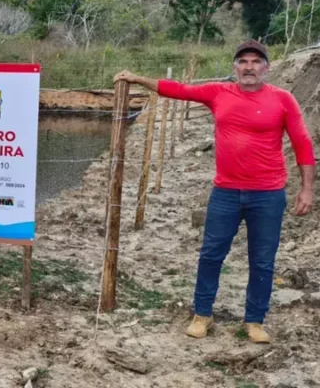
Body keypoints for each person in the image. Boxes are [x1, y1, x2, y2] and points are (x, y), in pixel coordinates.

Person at [114, 39, 315, 343]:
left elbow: (302, 144)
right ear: (235, 68)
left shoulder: (283, 99)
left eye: (256, 62)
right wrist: (137, 78)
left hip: (268, 194)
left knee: (263, 260)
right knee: (211, 254)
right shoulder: (218, 93)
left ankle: (255, 321)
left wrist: (307, 189)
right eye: (243, 62)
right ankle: (202, 314)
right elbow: (178, 89)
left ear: (266, 68)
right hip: (225, 193)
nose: (249, 67)